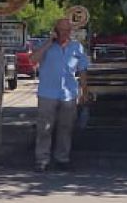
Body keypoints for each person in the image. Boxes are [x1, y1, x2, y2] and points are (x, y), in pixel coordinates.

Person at [32, 17, 89, 172]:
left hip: (68, 93)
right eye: (61, 30)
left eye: (67, 30)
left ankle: (62, 158)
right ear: (55, 31)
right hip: (47, 93)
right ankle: (42, 159)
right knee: (44, 128)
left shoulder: (77, 47)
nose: (64, 33)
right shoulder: (46, 45)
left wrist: (84, 92)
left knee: (66, 127)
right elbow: (33, 60)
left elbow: (83, 70)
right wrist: (49, 42)